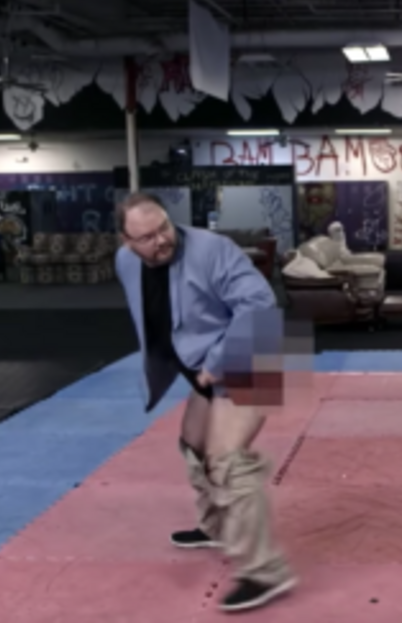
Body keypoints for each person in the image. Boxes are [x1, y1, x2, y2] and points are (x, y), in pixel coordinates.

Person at [114, 192, 297, 613]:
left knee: (227, 459)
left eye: (163, 227)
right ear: (127, 241)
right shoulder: (126, 262)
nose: (161, 240)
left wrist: (217, 362)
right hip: (200, 365)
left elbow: (260, 305)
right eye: (146, 237)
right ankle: (215, 527)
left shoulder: (213, 249)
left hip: (251, 353)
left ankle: (265, 572)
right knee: (194, 445)